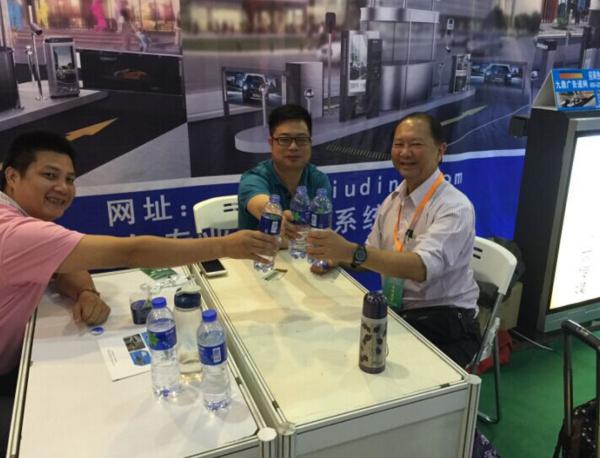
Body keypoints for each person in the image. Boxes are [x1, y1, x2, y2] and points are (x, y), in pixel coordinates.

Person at [0, 131, 277, 453]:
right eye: (50, 175)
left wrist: (86, 292)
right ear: (13, 176)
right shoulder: (15, 232)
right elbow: (130, 252)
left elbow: (66, 262)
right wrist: (224, 246)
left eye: (70, 179)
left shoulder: (21, 221)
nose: (63, 188)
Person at [307, 112, 481, 367]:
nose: (405, 152)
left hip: (446, 323)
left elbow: (420, 267)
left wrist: (350, 251)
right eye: (399, 144)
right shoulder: (393, 200)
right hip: (401, 313)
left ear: (440, 151)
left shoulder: (454, 207)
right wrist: (338, 257)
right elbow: (370, 253)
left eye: (416, 144)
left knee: (358, 359)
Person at [238, 104, 332, 245]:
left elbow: (323, 234)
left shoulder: (319, 180)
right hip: (259, 256)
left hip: (305, 256)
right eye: (284, 139)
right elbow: (261, 204)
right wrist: (277, 216)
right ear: (271, 143)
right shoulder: (253, 178)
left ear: (310, 143)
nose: (293, 147)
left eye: (301, 139)